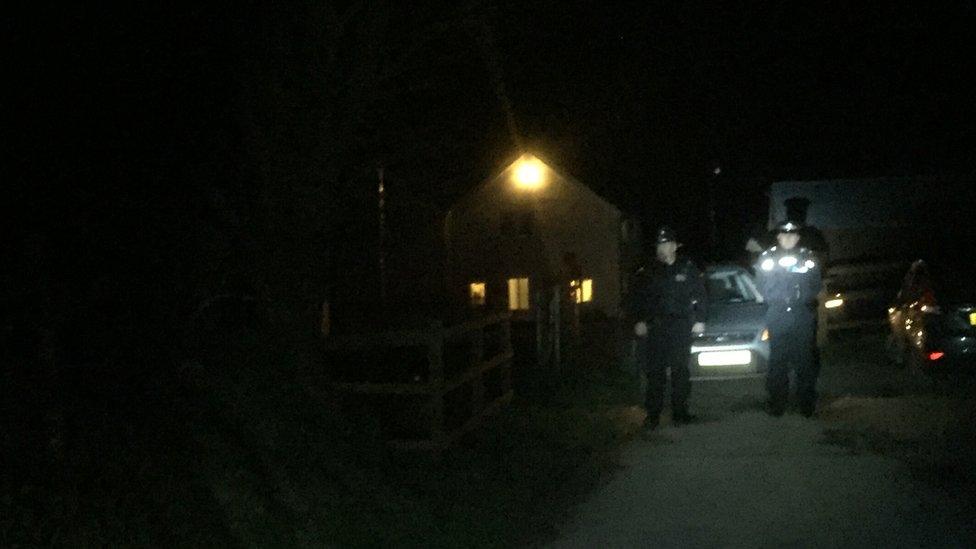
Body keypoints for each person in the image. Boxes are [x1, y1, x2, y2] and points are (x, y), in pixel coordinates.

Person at [627, 226, 707, 432]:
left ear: (674, 246)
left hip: (680, 326)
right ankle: (652, 415)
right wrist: (638, 320)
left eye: (666, 244)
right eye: (659, 244)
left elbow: (699, 295)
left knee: (680, 371)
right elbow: (636, 299)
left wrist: (699, 319)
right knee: (655, 373)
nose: (662, 248)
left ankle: (680, 412)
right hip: (656, 327)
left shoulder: (687, 268)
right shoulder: (647, 271)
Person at [754, 220, 823, 417]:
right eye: (784, 234)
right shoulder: (767, 258)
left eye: (793, 234)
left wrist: (802, 298)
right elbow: (760, 285)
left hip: (802, 314)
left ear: (798, 237)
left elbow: (816, 285)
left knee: (805, 361)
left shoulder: (807, 258)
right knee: (777, 362)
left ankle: (806, 404)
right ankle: (777, 404)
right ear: (778, 236)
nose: (788, 238)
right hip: (777, 314)